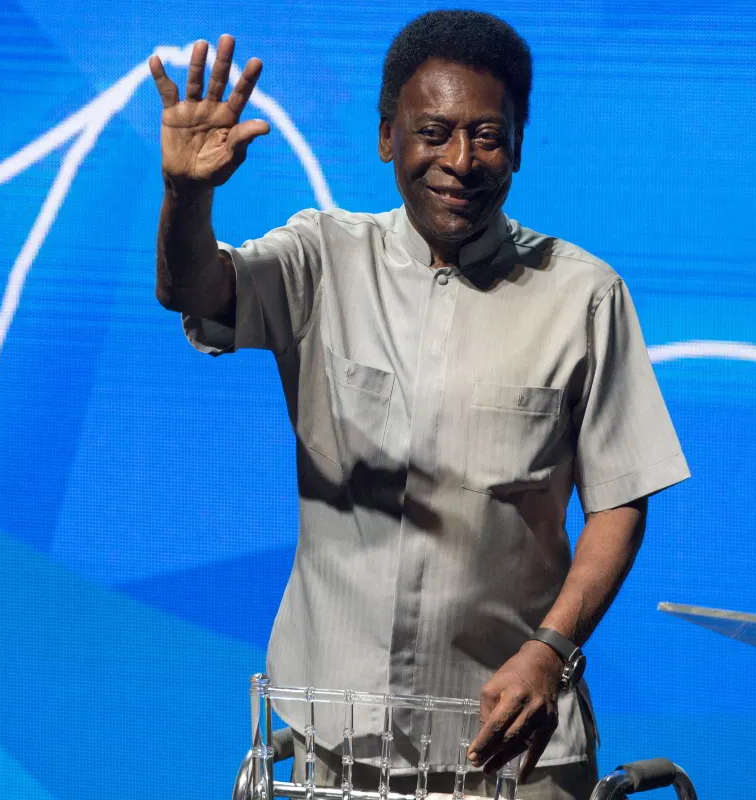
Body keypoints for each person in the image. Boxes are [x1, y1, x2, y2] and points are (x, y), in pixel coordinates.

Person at [149, 11, 689, 800]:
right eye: (432, 132)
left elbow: (620, 499)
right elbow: (193, 291)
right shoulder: (322, 258)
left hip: (513, 750)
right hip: (337, 749)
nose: (460, 161)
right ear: (386, 138)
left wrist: (551, 649)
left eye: (487, 136)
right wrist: (184, 196)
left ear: (518, 146)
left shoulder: (584, 296)